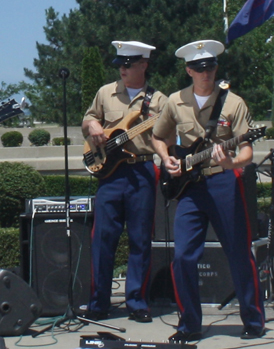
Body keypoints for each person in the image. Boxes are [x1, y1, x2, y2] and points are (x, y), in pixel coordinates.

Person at [152, 40, 265, 343]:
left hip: (223, 183)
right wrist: (167, 159)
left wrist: (229, 162)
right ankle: (189, 323)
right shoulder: (175, 101)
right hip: (189, 189)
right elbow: (158, 137)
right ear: (189, 70)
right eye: (200, 69)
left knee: (239, 253)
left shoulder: (234, 103)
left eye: (211, 67)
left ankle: (253, 320)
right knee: (184, 257)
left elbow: (246, 153)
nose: (207, 74)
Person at [82, 41, 167, 322]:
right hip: (110, 173)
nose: (122, 69)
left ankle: (137, 302)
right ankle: (98, 303)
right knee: (103, 239)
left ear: (144, 64)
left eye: (128, 64)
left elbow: (167, 137)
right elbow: (89, 119)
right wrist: (93, 125)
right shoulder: (106, 93)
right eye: (120, 64)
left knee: (140, 240)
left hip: (141, 171)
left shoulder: (160, 101)